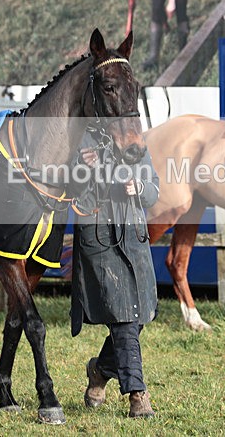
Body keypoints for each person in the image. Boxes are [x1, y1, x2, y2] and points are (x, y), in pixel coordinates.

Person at [70, 132, 160, 418]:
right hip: (98, 237)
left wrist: (140, 187)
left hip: (134, 236)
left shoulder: (135, 139)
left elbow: (154, 190)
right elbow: (66, 190)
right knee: (123, 314)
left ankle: (100, 371)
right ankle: (137, 394)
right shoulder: (80, 139)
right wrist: (81, 168)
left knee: (140, 314)